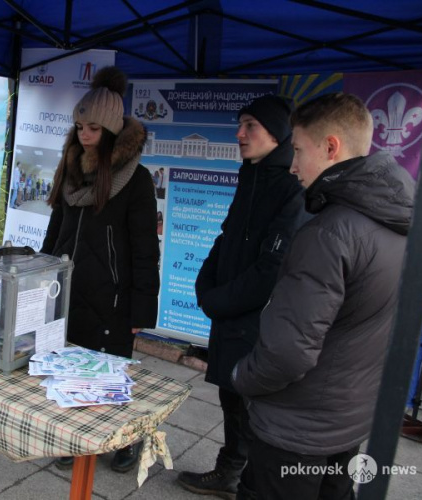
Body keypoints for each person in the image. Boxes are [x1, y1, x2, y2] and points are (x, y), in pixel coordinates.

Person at [231, 92, 415, 499]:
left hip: (294, 429)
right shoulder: (399, 219)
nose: (293, 165)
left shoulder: (328, 233)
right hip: (346, 420)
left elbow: (287, 352)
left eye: (298, 150)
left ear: (331, 147)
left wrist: (242, 376)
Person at [176, 94, 310, 500]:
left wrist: (219, 301)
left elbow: (272, 268)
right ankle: (230, 473)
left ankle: (241, 476)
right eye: (241, 124)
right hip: (232, 315)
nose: (239, 133)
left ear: (277, 133)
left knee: (248, 405)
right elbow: (227, 236)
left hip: (257, 321)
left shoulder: (291, 186)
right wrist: (205, 284)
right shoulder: (251, 175)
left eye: (250, 125)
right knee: (230, 398)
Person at [41, 66, 159, 474]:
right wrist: (41, 275)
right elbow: (55, 230)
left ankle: (128, 438)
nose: (82, 134)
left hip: (113, 298)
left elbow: (146, 250)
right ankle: (76, 440)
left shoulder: (136, 180)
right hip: (69, 291)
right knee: (71, 367)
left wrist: (142, 312)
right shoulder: (71, 170)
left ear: (110, 131)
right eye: (79, 126)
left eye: (92, 127)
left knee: (111, 374)